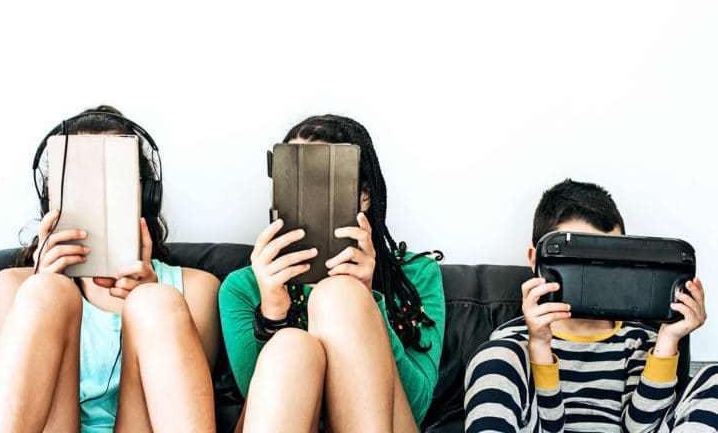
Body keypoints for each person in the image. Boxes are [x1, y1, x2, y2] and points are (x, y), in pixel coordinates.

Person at [0, 106, 220, 433]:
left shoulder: (197, 288)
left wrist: (146, 299)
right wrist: (40, 289)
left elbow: (184, 402)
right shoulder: (11, 287)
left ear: (147, 195)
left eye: (113, 178)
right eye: (80, 182)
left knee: (156, 302)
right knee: (45, 292)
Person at [218, 114, 445, 432]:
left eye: (322, 183)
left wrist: (367, 301)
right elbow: (260, 405)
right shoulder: (243, 287)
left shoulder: (417, 275)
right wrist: (272, 315)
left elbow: (417, 406)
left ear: (364, 194)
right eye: (295, 182)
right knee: (291, 346)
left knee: (340, 295)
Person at [464, 179, 718, 432]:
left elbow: (640, 429)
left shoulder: (640, 340)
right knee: (496, 355)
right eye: (581, 261)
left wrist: (668, 338)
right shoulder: (512, 342)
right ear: (535, 260)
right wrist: (539, 344)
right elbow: (551, 426)